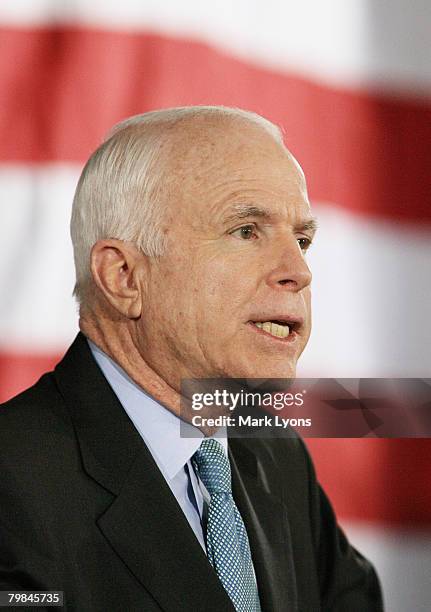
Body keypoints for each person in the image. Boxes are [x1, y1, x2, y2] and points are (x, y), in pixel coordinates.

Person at [0, 106, 383, 611]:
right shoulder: (12, 482)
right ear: (124, 278)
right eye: (246, 231)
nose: (298, 271)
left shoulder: (275, 456)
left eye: (302, 240)